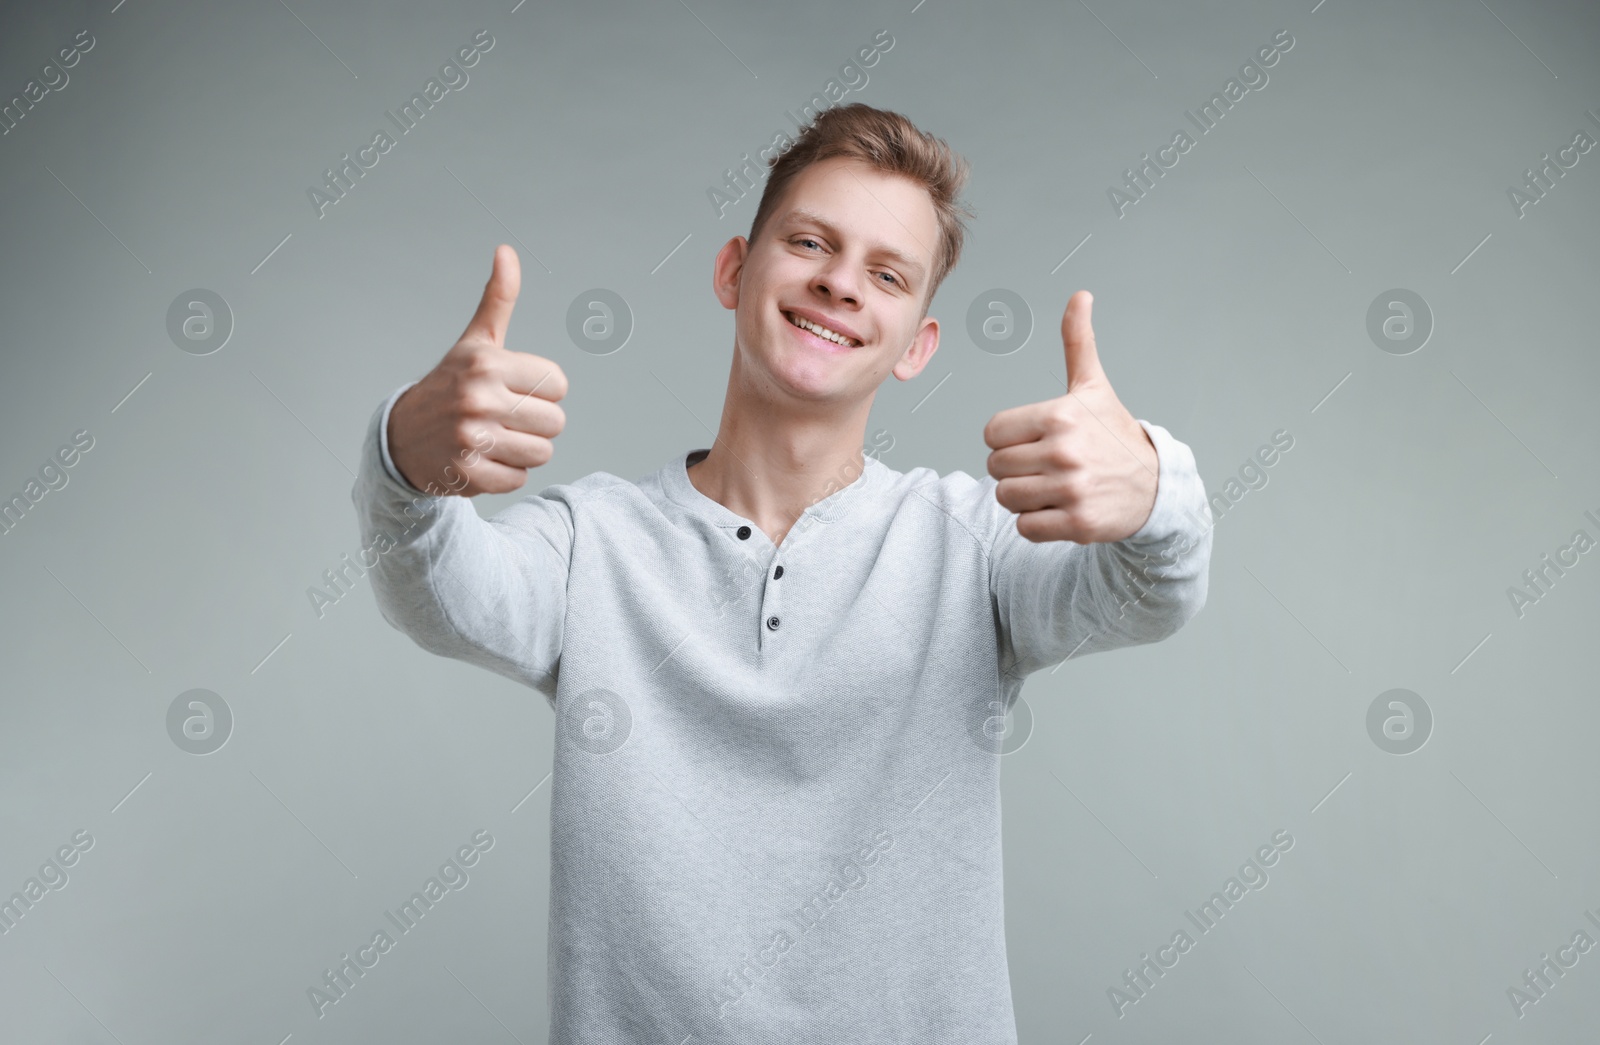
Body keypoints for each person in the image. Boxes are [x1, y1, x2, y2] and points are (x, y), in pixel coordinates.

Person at [352, 102, 1213, 1043]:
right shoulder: (593, 541)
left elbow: (1146, 594)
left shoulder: (971, 543)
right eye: (810, 241)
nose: (841, 284)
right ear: (734, 269)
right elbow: (439, 595)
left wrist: (1154, 485)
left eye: (888, 274)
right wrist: (406, 459)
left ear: (917, 344)